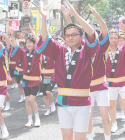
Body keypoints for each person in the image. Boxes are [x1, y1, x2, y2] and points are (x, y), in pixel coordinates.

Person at [37, 1, 99, 139]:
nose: (70, 37)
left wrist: (74, 14)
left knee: (80, 138)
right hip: (63, 102)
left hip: (82, 102)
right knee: (66, 137)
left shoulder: (87, 52)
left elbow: (91, 33)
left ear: (81, 37)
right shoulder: (59, 50)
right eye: (67, 35)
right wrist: (43, 18)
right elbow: (45, 39)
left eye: (74, 35)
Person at [80, 5, 112, 140]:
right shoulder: (82, 46)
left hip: (101, 86)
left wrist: (97, 15)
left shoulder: (101, 46)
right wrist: (67, 16)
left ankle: (107, 137)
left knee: (105, 115)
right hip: (86, 88)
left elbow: (105, 30)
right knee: (88, 116)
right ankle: (89, 138)